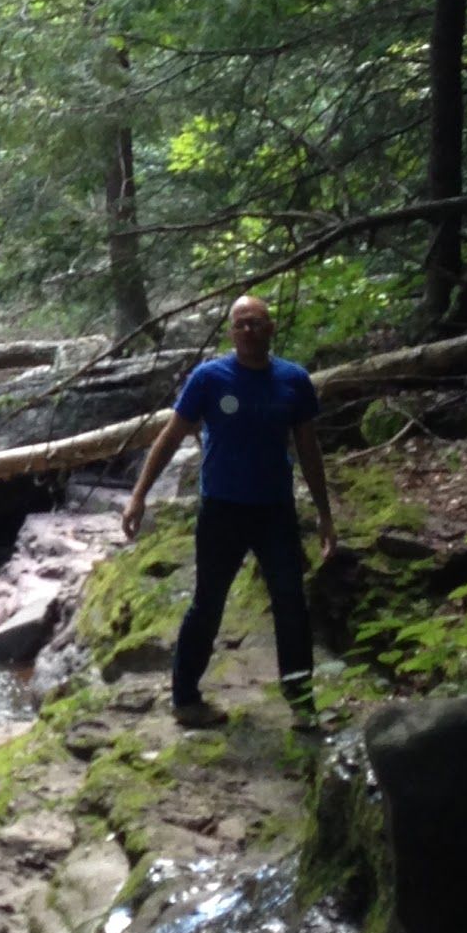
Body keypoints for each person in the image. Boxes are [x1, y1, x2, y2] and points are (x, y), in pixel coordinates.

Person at [121, 294, 338, 731]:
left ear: (271, 327)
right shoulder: (209, 378)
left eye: (256, 322)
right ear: (230, 332)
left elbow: (309, 449)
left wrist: (324, 514)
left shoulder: (293, 380)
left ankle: (301, 703)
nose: (247, 330)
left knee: (291, 603)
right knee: (207, 604)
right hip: (222, 509)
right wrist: (138, 494)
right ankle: (185, 699)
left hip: (275, 510)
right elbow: (170, 435)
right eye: (239, 324)